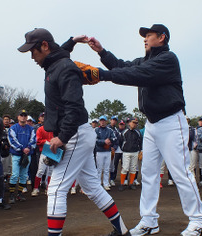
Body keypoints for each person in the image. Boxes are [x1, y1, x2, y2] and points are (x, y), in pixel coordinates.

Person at [85, 24, 202, 236]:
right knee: (149, 173)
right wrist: (102, 52)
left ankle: (199, 221)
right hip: (151, 124)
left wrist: (101, 75)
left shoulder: (168, 59)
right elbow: (122, 66)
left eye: (148, 35)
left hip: (171, 121)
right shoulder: (146, 61)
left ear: (162, 37)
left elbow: (137, 74)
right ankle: (149, 220)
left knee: (180, 172)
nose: (144, 38)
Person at [18, 28, 130, 236]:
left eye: (33, 51)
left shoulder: (65, 68)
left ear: (44, 46)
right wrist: (72, 41)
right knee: (93, 188)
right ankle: (122, 231)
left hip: (73, 134)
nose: (31, 57)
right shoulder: (55, 64)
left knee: (56, 189)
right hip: (78, 133)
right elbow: (58, 53)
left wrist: (62, 137)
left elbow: (74, 106)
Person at [8, 109, 36, 203]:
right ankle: (11, 195)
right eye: (21, 115)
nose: (23, 117)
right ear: (18, 117)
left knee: (24, 175)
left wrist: (28, 148)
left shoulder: (31, 129)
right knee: (15, 174)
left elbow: (33, 140)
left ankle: (19, 194)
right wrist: (22, 148)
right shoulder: (13, 128)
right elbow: (12, 140)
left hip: (27, 154)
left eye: (25, 115)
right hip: (17, 154)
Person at [119, 118, 142, 191]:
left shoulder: (137, 132)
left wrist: (140, 150)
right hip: (126, 152)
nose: (134, 124)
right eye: (133, 122)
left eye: (136, 123)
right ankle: (122, 184)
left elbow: (140, 142)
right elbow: (120, 142)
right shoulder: (124, 132)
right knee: (125, 168)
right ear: (129, 123)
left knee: (133, 168)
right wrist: (123, 148)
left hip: (135, 152)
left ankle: (131, 183)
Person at [31, 125, 55, 196]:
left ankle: (48, 188)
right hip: (44, 151)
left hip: (53, 152)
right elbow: (38, 140)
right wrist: (46, 141)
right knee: (41, 171)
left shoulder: (55, 129)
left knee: (51, 171)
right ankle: (35, 188)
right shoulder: (41, 129)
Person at [95, 115, 117, 191]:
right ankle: (98, 184)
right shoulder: (96, 130)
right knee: (99, 169)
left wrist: (109, 140)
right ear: (99, 121)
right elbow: (95, 140)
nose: (102, 122)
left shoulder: (110, 130)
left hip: (108, 151)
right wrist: (104, 141)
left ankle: (106, 184)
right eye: (101, 120)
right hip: (100, 151)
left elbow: (114, 138)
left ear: (106, 121)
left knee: (107, 169)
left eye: (104, 120)